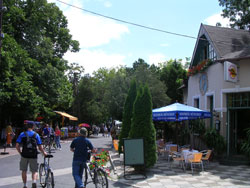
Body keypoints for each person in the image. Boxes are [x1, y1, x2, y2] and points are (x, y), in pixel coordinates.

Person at [16, 122, 47, 188]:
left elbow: (17, 146)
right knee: (34, 170)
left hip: (24, 154)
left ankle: (25, 185)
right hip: (33, 155)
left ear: (27, 127)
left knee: (24, 170)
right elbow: (40, 147)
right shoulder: (36, 135)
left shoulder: (22, 134)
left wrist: (20, 152)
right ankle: (34, 182)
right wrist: (44, 153)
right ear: (33, 127)